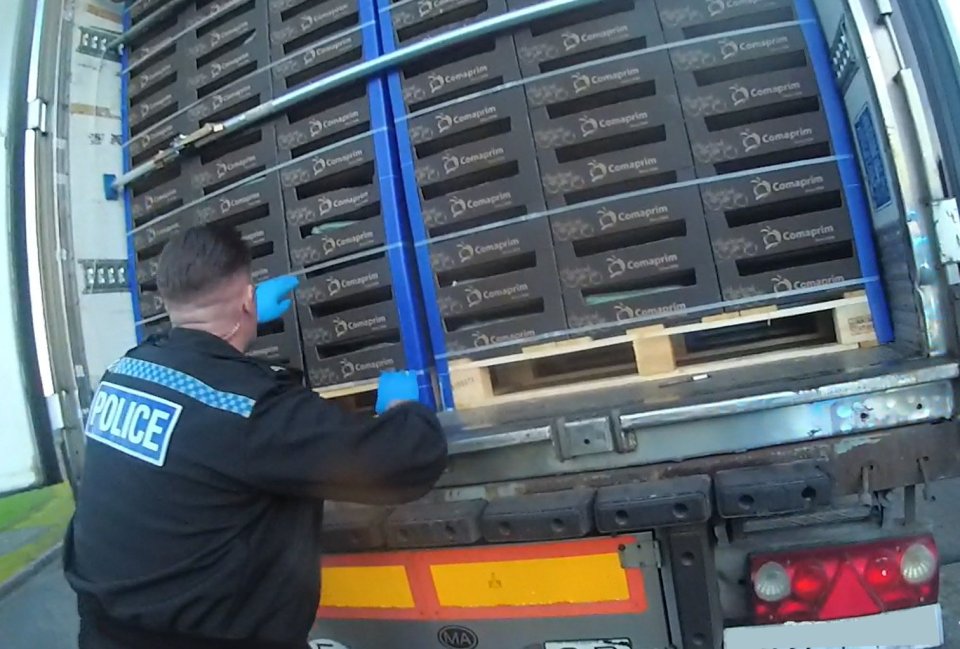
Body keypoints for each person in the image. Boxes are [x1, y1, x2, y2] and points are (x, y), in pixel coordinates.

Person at [64, 224, 448, 649]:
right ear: (247, 300)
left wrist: (241, 319)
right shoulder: (248, 411)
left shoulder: (124, 372)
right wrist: (402, 410)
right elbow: (405, 461)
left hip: (104, 630)